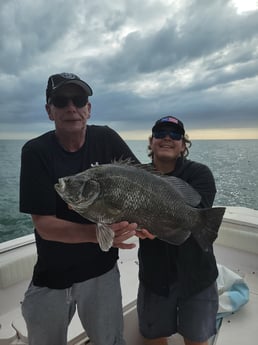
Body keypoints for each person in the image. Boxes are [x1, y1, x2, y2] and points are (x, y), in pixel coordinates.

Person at [19, 72, 140, 345]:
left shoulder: (106, 138)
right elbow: (45, 225)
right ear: (49, 111)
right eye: (61, 101)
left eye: (79, 99)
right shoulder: (36, 151)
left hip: (102, 273)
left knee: (110, 341)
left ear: (89, 108)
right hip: (52, 275)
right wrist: (99, 234)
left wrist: (141, 223)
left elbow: (141, 186)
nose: (71, 107)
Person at [136, 116, 219, 345]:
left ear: (183, 145)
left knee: (196, 339)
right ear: (151, 142)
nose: (167, 138)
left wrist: (158, 227)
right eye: (161, 133)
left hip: (197, 276)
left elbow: (201, 216)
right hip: (155, 276)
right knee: (153, 337)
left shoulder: (200, 174)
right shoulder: (137, 177)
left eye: (175, 135)